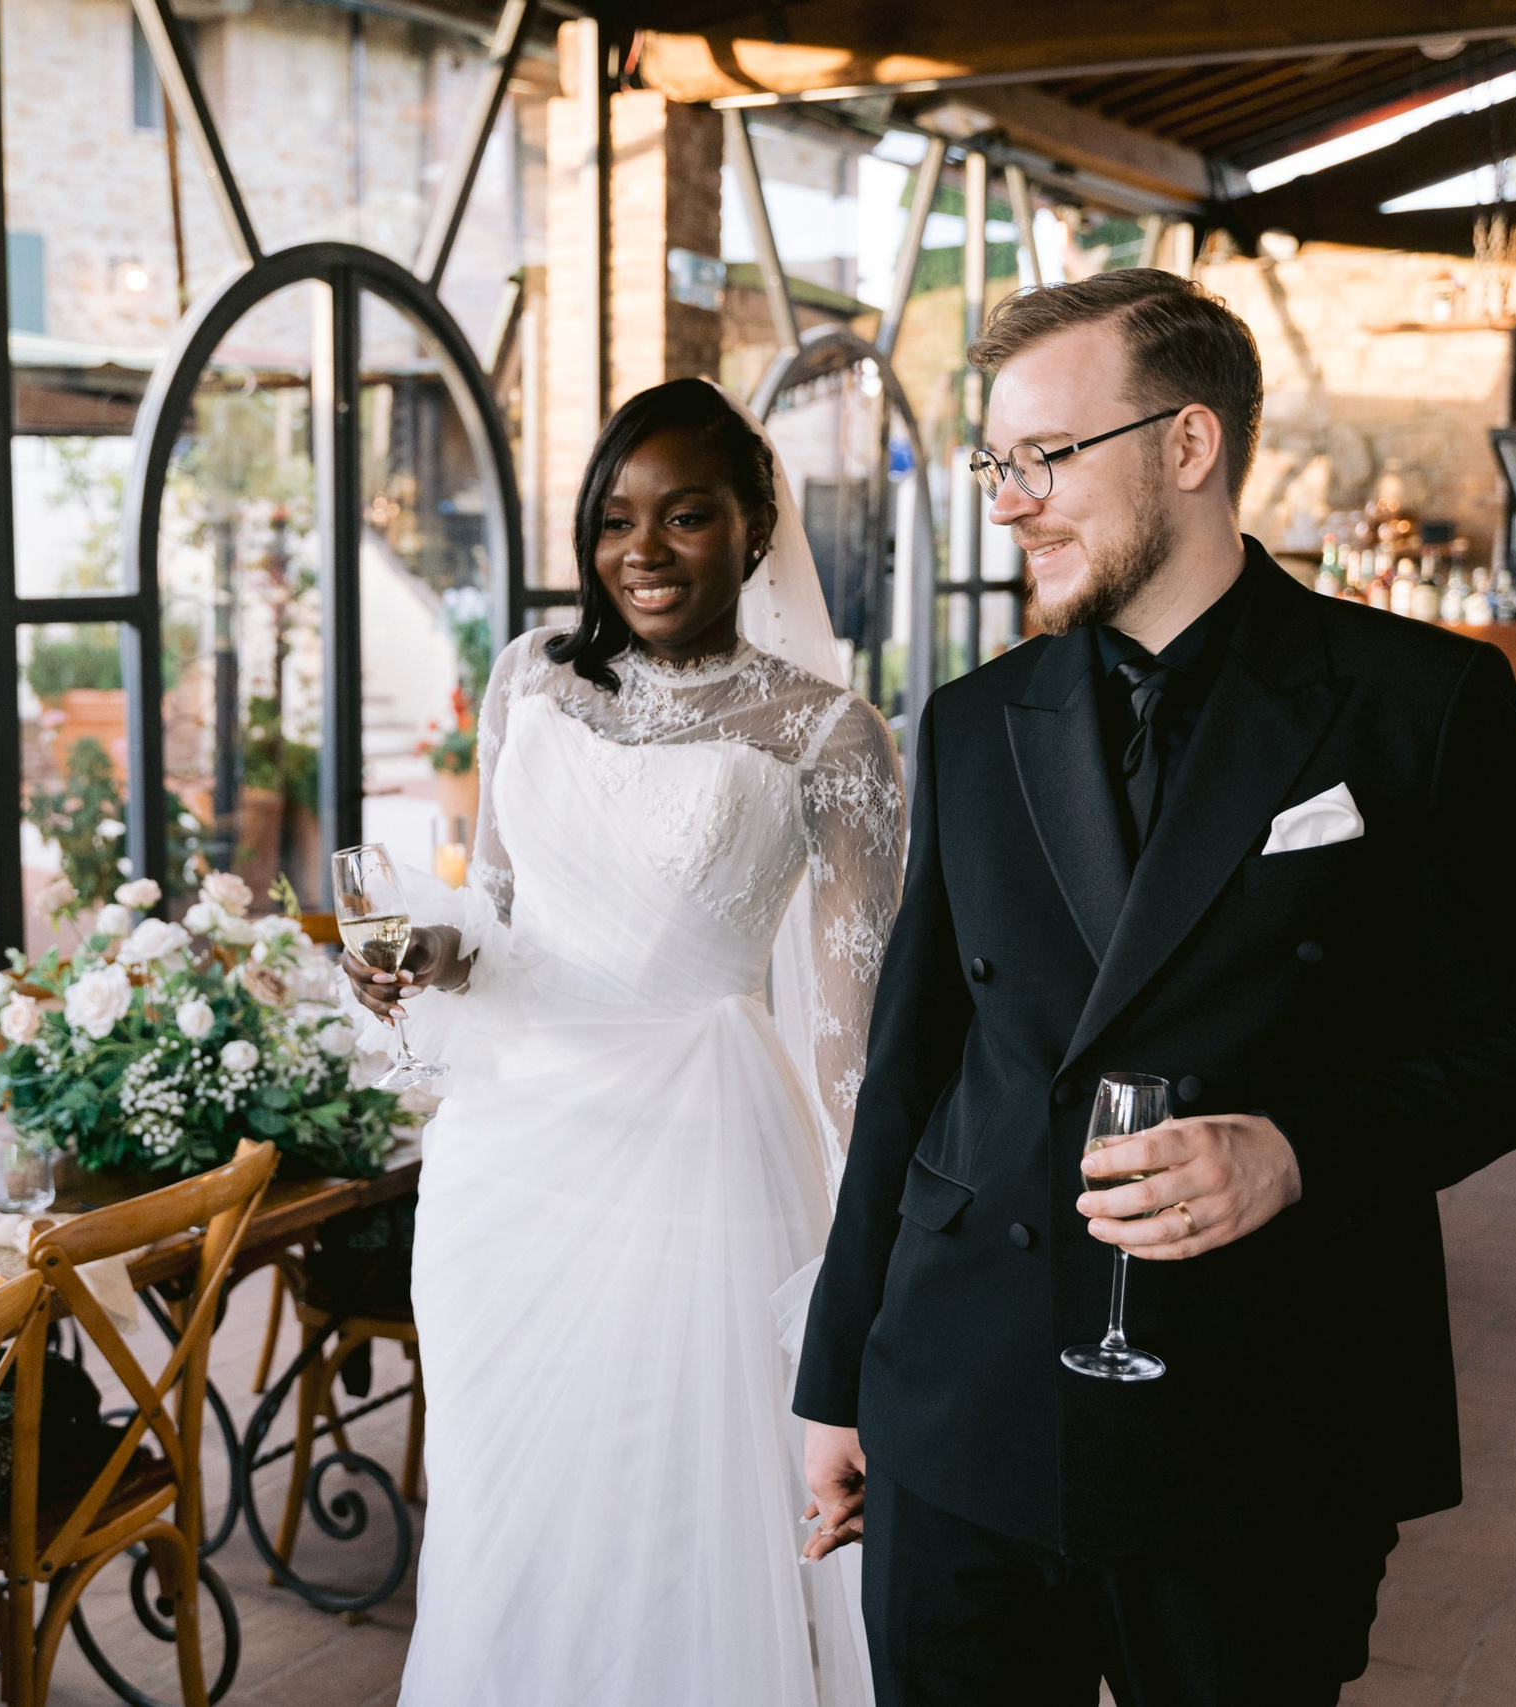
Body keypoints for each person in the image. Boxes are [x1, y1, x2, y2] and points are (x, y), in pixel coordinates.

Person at [794, 271, 1516, 1705]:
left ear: (1189, 444)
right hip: (964, 1395)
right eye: (997, 462)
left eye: (1045, 457)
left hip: (1260, 1418)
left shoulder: (1421, 703)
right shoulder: (976, 724)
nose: (1011, 497)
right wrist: (836, 1373)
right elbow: (907, 1070)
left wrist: (1299, 1148)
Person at [350, 378, 903, 1706]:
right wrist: (427, 954)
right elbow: (496, 912)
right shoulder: (528, 677)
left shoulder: (830, 734)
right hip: (509, 1161)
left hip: (698, 1154)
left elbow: (851, 1035)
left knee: (674, 1498)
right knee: (513, 1500)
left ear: (757, 525)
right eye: (613, 519)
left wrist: (876, 1259)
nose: (642, 550)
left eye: (687, 515)